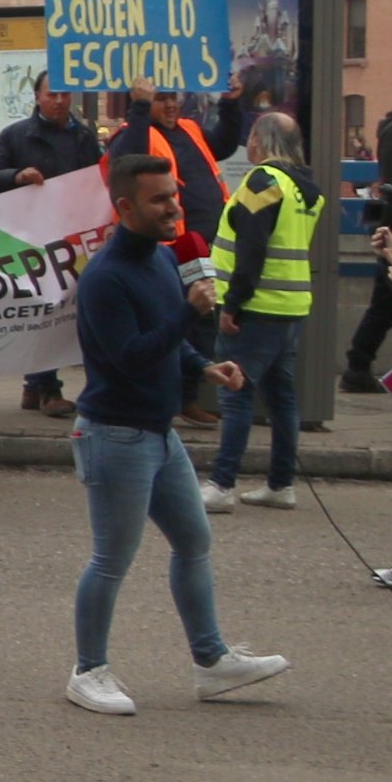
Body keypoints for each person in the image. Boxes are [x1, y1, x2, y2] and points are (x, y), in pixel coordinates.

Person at [64, 153, 293, 716]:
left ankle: (211, 661)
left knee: (194, 543)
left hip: (157, 435)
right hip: (114, 436)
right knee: (111, 560)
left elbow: (168, 342)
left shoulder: (163, 260)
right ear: (124, 207)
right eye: (159, 199)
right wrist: (189, 317)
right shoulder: (105, 277)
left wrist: (203, 367)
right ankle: (87, 671)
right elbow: (128, 358)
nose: (174, 207)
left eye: (174, 195)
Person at [205, 114, 321, 507]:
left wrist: (233, 303)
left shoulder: (262, 182)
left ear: (261, 141)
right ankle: (280, 483)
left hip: (256, 306)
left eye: (252, 135)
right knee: (282, 397)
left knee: (235, 394)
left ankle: (222, 485)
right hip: (290, 304)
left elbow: (252, 249)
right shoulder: (307, 188)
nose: (249, 144)